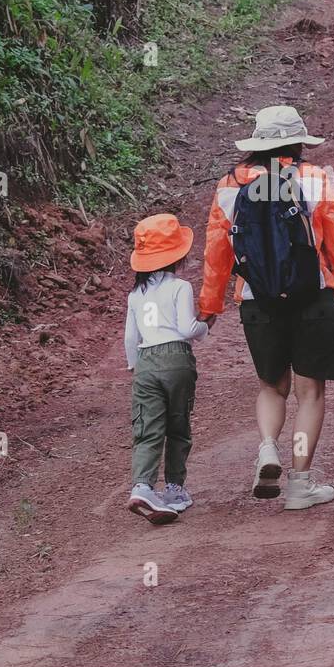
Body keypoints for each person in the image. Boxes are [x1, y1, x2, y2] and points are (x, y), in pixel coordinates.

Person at [198, 105, 334, 509]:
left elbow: (217, 252)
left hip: (257, 299)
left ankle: (268, 446)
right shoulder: (313, 179)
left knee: (272, 385)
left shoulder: (229, 185)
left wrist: (210, 307)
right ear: (299, 142)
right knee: (310, 393)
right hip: (312, 297)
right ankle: (300, 486)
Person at [125, 213, 208, 524]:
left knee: (147, 428)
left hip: (145, 363)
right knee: (178, 426)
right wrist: (205, 327)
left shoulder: (135, 294)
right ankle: (174, 488)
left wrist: (136, 367)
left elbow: (130, 337)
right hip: (176, 359)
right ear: (177, 255)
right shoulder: (180, 287)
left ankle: (143, 486)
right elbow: (187, 328)